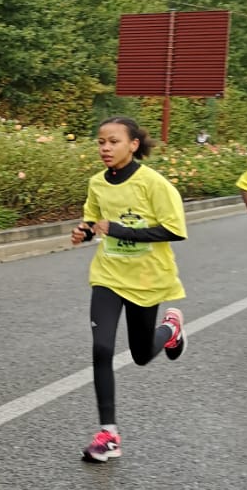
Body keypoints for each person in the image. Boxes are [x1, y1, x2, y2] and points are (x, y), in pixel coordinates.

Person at [71, 117, 187, 464]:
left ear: (133, 144)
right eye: (101, 142)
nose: (105, 148)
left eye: (113, 141)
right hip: (107, 276)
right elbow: (94, 222)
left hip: (147, 279)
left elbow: (174, 229)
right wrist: (85, 233)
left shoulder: (153, 183)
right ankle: (108, 434)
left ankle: (170, 329)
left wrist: (121, 230)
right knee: (102, 347)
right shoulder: (97, 183)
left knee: (139, 354)